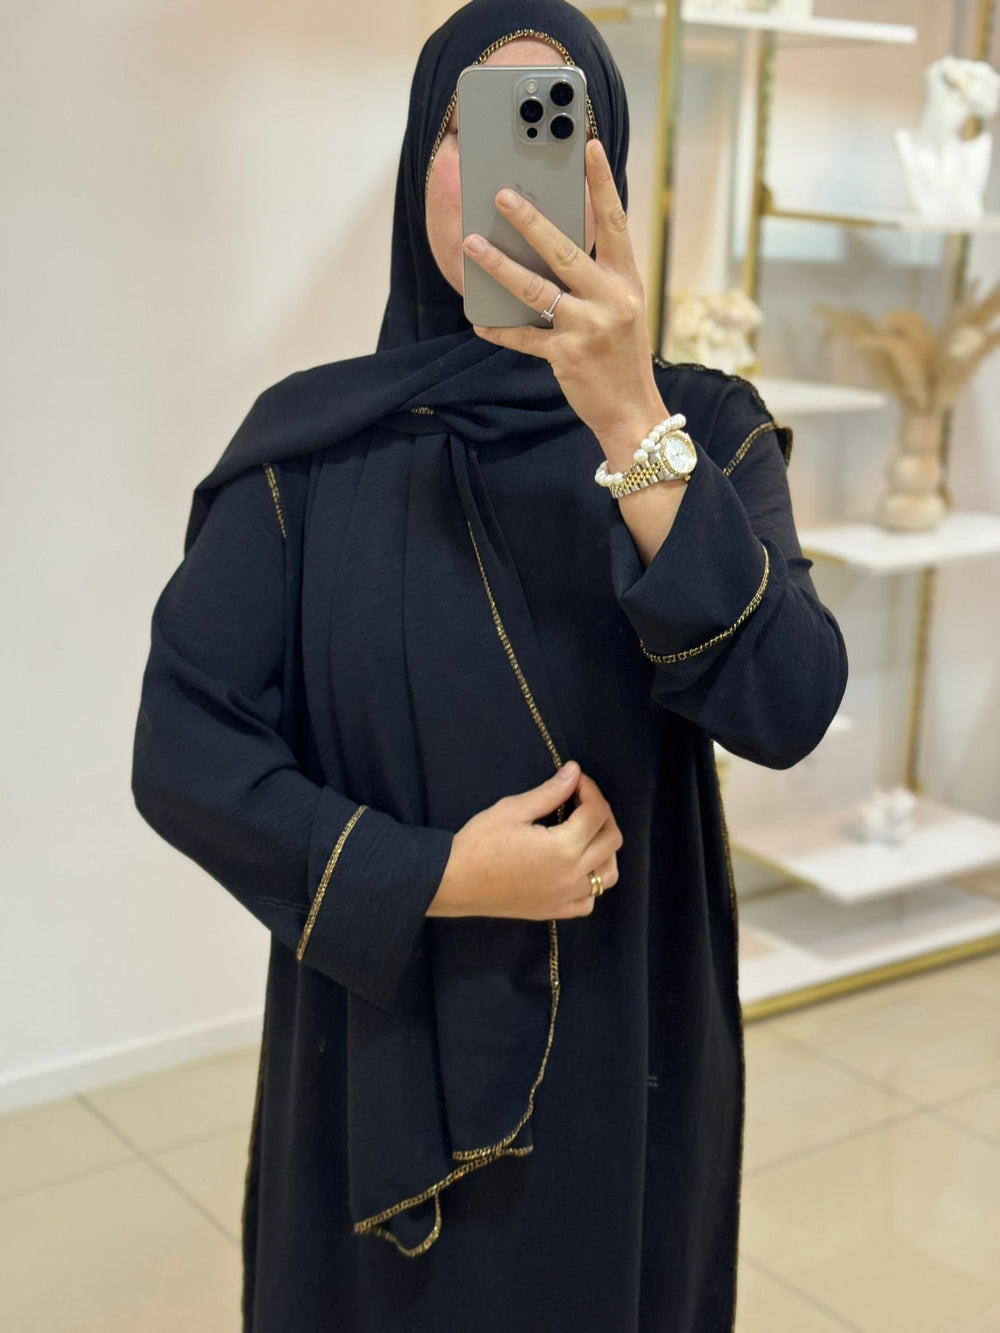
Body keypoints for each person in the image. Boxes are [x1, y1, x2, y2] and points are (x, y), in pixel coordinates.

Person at [131, 1, 849, 1329]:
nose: (516, 165)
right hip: (382, 1033)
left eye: (554, 125)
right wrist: (437, 877)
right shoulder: (314, 449)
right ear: (423, 162)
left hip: (626, 1032)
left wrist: (628, 418)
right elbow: (185, 751)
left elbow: (789, 703)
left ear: (607, 169)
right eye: (475, 124)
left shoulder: (703, 427)